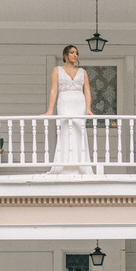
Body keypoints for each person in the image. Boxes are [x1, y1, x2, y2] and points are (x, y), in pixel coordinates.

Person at [42, 44, 93, 175]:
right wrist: (50, 110)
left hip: (79, 102)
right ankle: (64, 165)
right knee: (66, 128)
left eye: (76, 53)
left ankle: (81, 166)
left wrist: (88, 108)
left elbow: (87, 91)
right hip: (65, 101)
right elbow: (53, 90)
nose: (75, 55)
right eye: (72, 52)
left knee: (79, 130)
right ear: (65, 55)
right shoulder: (57, 70)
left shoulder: (83, 72)